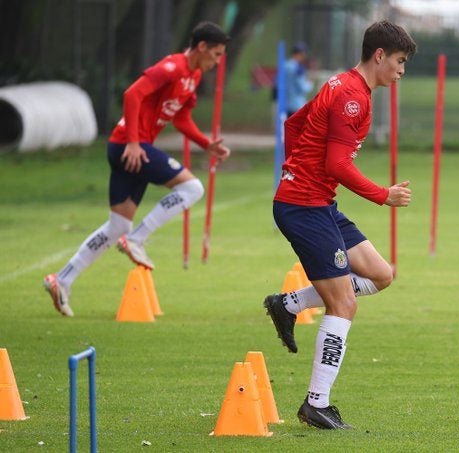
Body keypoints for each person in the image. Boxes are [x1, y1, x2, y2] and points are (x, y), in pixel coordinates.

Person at [262, 20, 416, 429]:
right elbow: (336, 164)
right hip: (303, 207)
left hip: (317, 202)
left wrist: (294, 170)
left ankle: (287, 304)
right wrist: (383, 194)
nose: (402, 71)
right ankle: (317, 403)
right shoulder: (352, 97)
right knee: (344, 302)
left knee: (382, 275)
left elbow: (294, 125)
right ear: (379, 55)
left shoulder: (341, 83)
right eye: (400, 62)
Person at [42, 21, 231, 317]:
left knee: (116, 225)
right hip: (131, 147)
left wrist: (206, 144)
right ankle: (136, 240)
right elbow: (132, 94)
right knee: (192, 188)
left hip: (126, 148)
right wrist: (133, 142)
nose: (217, 62)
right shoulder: (173, 67)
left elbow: (181, 119)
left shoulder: (192, 76)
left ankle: (61, 280)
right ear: (202, 47)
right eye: (217, 54)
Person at [284, 41, 313, 117]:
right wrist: (310, 83)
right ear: (300, 54)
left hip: (285, 104)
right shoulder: (297, 68)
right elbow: (303, 88)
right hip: (297, 105)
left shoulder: (285, 65)